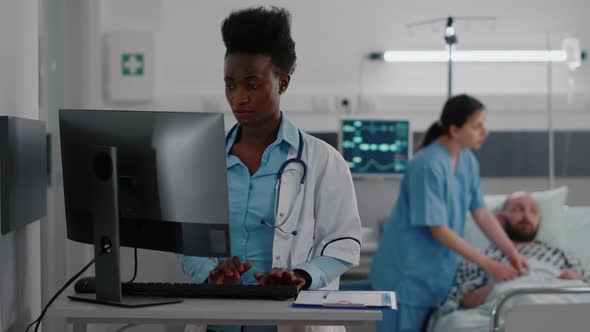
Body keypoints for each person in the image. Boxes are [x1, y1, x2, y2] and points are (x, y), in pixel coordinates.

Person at [177, 6, 362, 332]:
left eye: (252, 85)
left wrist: (300, 277)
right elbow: (187, 241)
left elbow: (343, 243)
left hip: (292, 320)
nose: (238, 98)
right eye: (230, 85)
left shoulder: (323, 161)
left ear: (283, 82)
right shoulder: (204, 161)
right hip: (219, 322)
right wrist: (210, 273)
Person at [369, 94, 529, 332]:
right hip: (406, 276)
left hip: (435, 277)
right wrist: (489, 264)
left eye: (483, 125)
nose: (484, 132)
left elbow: (482, 213)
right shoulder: (427, 165)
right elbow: (439, 231)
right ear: (454, 129)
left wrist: (511, 252)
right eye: (476, 126)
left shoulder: (467, 161)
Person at [449, 191, 589, 308]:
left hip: (559, 306)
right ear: (500, 219)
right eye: (518, 209)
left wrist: (573, 282)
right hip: (509, 305)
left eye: (533, 211)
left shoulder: (562, 255)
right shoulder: (484, 257)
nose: (526, 216)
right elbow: (461, 300)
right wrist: (505, 287)